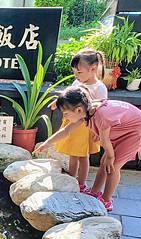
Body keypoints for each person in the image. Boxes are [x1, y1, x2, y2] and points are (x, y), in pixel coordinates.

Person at [36, 87, 141, 212]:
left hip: (136, 132)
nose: (65, 117)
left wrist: (110, 157)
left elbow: (105, 140)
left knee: (112, 165)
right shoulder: (85, 112)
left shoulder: (101, 115)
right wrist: (47, 144)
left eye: (66, 114)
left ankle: (106, 200)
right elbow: (66, 131)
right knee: (104, 163)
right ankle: (95, 192)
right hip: (123, 130)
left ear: (78, 109)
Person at [52, 49, 108, 192]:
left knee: (83, 156)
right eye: (75, 72)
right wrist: (57, 102)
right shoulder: (77, 82)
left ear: (93, 69)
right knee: (73, 153)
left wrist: (98, 131)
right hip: (72, 123)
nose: (76, 75)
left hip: (86, 127)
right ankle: (72, 177)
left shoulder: (99, 87)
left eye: (79, 72)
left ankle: (81, 183)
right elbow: (68, 96)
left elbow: (102, 111)